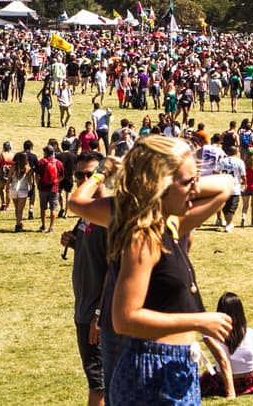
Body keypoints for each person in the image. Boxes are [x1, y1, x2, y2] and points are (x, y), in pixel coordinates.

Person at [107, 135, 234, 406]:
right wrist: (198, 321)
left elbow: (225, 187)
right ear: (159, 185)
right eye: (188, 182)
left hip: (176, 365)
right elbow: (125, 318)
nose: (196, 189)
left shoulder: (170, 226)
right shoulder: (143, 238)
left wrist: (185, 182)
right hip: (150, 371)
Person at [64, 150, 109, 406]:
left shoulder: (107, 215)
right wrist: (74, 242)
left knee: (98, 385)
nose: (82, 180)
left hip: (96, 313)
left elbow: (113, 268)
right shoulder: (88, 212)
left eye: (88, 175)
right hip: (84, 308)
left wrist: (99, 315)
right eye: (78, 175)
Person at [200, 292, 253, 397]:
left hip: (222, 384)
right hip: (250, 383)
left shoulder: (210, 335)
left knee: (206, 375)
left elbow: (222, 361)